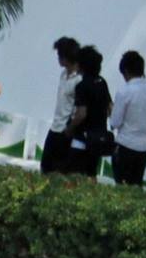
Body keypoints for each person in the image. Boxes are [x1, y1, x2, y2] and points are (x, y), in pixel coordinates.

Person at [107, 50, 146, 188]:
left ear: (126, 71)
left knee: (121, 186)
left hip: (124, 145)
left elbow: (115, 122)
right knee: (136, 184)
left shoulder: (124, 91)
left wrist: (112, 114)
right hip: (143, 148)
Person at [63, 45, 114, 177]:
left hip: (82, 139)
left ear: (81, 65)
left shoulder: (82, 86)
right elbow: (110, 108)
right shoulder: (102, 82)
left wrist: (69, 128)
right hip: (98, 139)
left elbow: (81, 113)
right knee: (91, 174)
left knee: (73, 175)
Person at [40, 37, 81, 174]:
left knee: (60, 170)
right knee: (45, 167)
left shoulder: (79, 79)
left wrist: (70, 128)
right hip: (55, 127)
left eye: (59, 55)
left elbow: (78, 108)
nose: (58, 58)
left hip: (66, 130)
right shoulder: (63, 74)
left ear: (66, 57)